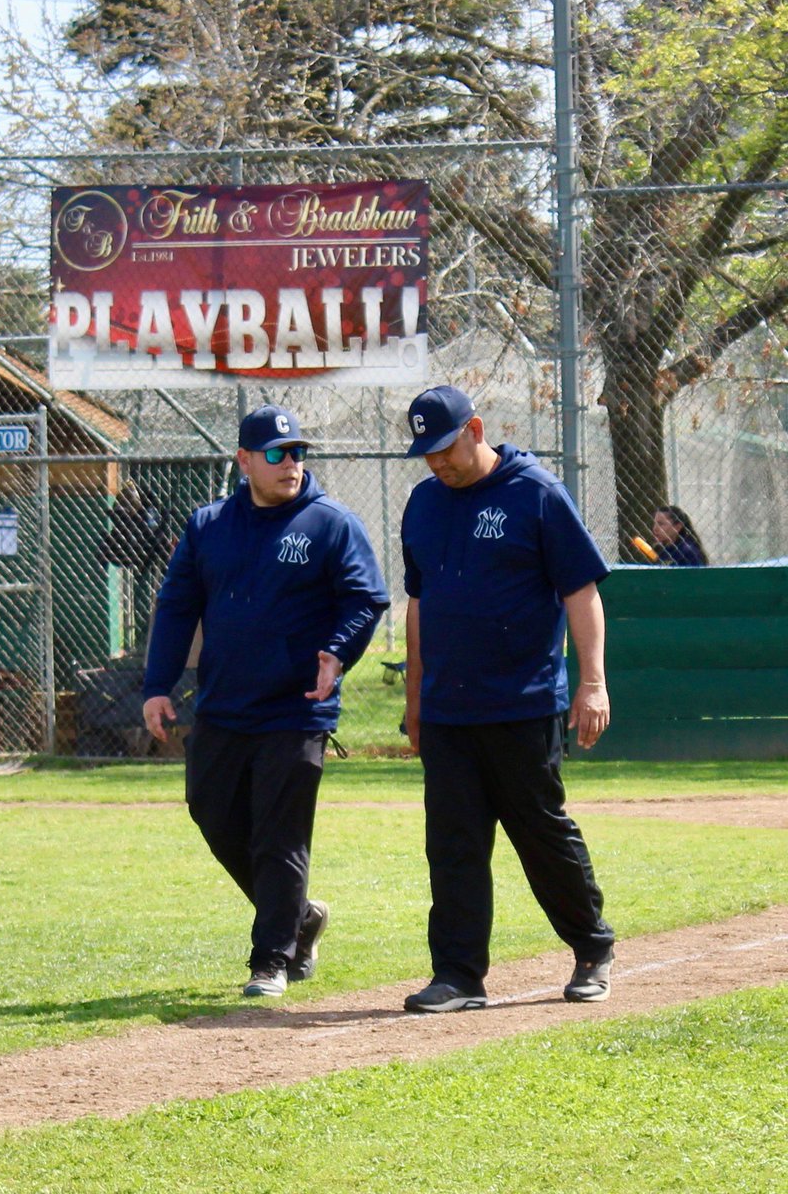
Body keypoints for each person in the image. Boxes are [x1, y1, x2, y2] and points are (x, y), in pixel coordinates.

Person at [143, 405, 389, 998]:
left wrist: (336, 652)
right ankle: (300, 917)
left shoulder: (330, 523)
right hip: (225, 705)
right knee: (212, 813)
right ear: (245, 461)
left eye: (299, 452)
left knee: (279, 837)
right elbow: (177, 607)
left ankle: (271, 960)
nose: (291, 464)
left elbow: (366, 597)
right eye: (277, 454)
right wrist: (157, 684)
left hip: (297, 707)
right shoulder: (209, 525)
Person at [401, 385, 615, 1013]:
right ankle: (459, 975)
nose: (437, 462)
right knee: (453, 842)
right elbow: (419, 604)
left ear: (475, 428)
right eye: (426, 453)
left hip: (521, 703)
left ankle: (592, 947)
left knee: (539, 832)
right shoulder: (422, 504)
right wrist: (416, 696)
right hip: (446, 708)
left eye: (444, 447)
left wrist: (593, 682)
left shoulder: (537, 494)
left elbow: (581, 591)